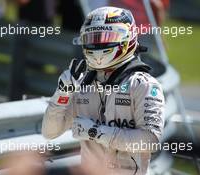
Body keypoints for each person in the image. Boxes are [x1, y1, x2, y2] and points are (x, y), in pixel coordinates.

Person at [42, 7, 165, 175]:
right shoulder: (80, 83)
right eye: (93, 38)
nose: (98, 45)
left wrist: (96, 132)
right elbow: (50, 132)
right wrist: (62, 94)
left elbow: (151, 141)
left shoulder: (144, 85)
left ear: (126, 39)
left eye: (107, 37)